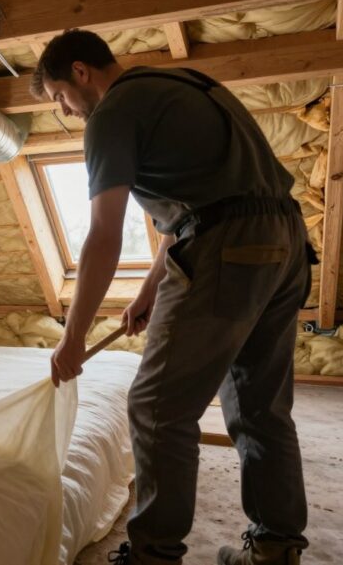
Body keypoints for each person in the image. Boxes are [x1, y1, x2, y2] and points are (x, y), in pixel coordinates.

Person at [33, 30, 315, 565]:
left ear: (80, 72)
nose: (65, 112)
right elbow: (188, 212)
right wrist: (147, 293)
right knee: (260, 406)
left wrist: (72, 339)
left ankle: (152, 556)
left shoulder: (112, 113)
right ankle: (276, 549)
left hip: (227, 249)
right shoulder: (178, 86)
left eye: (58, 98)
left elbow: (104, 233)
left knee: (157, 407)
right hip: (286, 244)